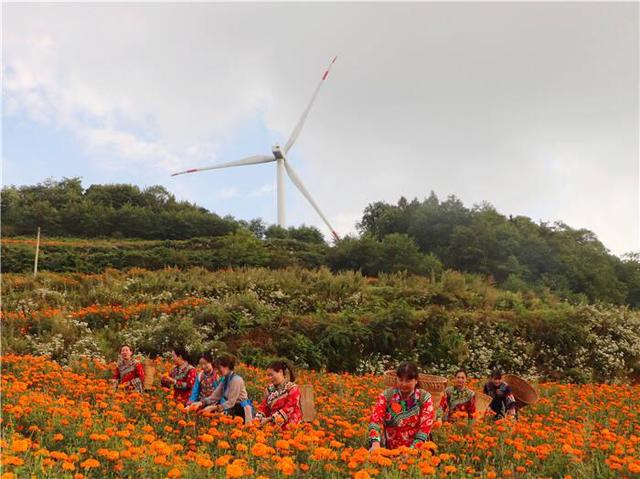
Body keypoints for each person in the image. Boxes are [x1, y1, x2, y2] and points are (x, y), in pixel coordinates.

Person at [368, 362, 435, 450]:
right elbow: (376, 420)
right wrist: (375, 442)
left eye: (408, 381)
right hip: (389, 447)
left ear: (416, 381)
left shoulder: (424, 398)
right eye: (400, 380)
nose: (403, 384)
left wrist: (412, 451)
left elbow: (425, 426)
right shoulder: (387, 395)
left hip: (416, 448)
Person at [189, 354, 253, 423]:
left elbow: (231, 402)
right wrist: (201, 403)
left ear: (227, 367)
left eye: (219, 368)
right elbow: (214, 396)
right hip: (232, 409)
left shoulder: (236, 380)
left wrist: (213, 407)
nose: (217, 371)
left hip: (242, 411)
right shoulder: (225, 379)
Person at [254, 360, 302, 428]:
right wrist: (257, 419)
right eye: (268, 375)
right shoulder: (269, 389)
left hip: (290, 425)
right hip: (272, 424)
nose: (269, 378)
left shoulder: (292, 388)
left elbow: (289, 408)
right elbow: (264, 406)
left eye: (271, 375)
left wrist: (269, 419)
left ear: (280, 372)